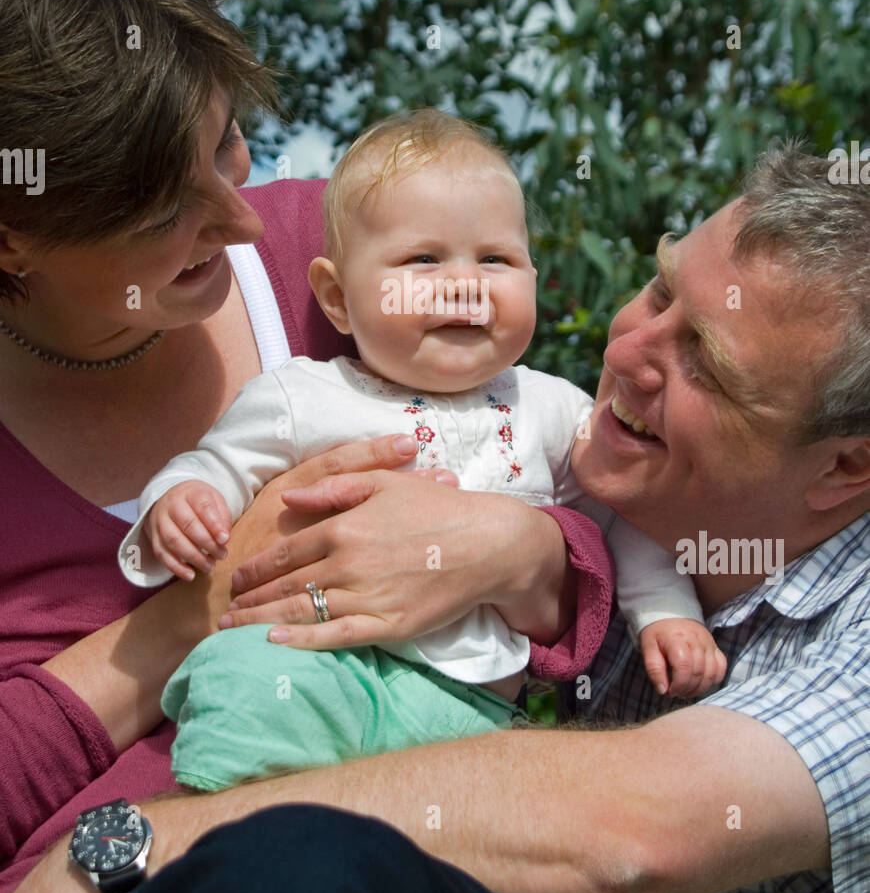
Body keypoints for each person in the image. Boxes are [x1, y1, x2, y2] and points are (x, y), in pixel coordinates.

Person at [0, 0, 615, 893]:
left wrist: (517, 553)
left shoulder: (339, 259)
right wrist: (193, 615)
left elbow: (552, 472)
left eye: (228, 143)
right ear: (13, 240)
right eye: (166, 208)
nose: (240, 215)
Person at [120, 108, 722, 793]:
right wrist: (183, 500)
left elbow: (625, 520)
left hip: (466, 704)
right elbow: (216, 465)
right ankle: (219, 840)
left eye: (495, 259)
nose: (465, 284)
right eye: (423, 260)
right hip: (310, 664)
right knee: (243, 683)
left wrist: (667, 612)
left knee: (501, 810)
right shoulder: (300, 395)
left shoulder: (550, 408)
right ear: (339, 299)